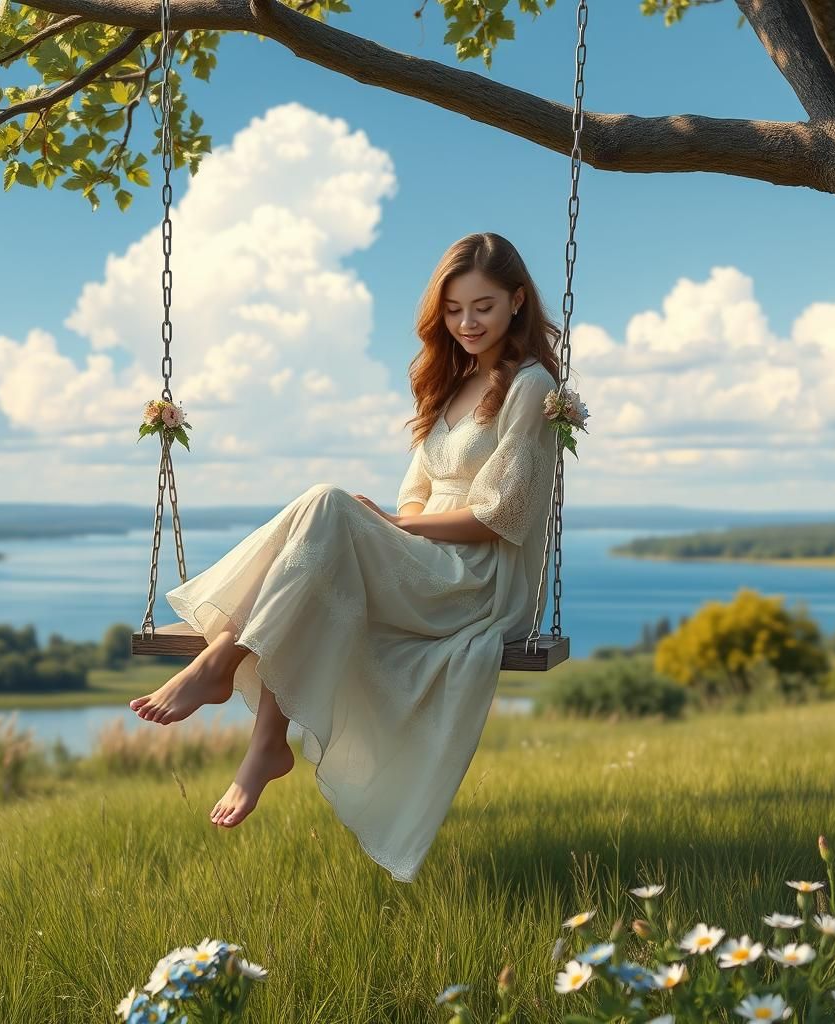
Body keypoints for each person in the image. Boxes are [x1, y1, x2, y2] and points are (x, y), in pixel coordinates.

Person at [129, 231, 562, 884]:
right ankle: (264, 739)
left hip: (476, 580)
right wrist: (396, 527)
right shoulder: (453, 383)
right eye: (453, 310)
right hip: (428, 557)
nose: (467, 323)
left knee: (328, 505)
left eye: (483, 306)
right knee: (323, 516)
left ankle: (223, 663)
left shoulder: (531, 387)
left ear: (517, 301)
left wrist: (391, 526)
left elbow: (501, 516)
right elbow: (414, 494)